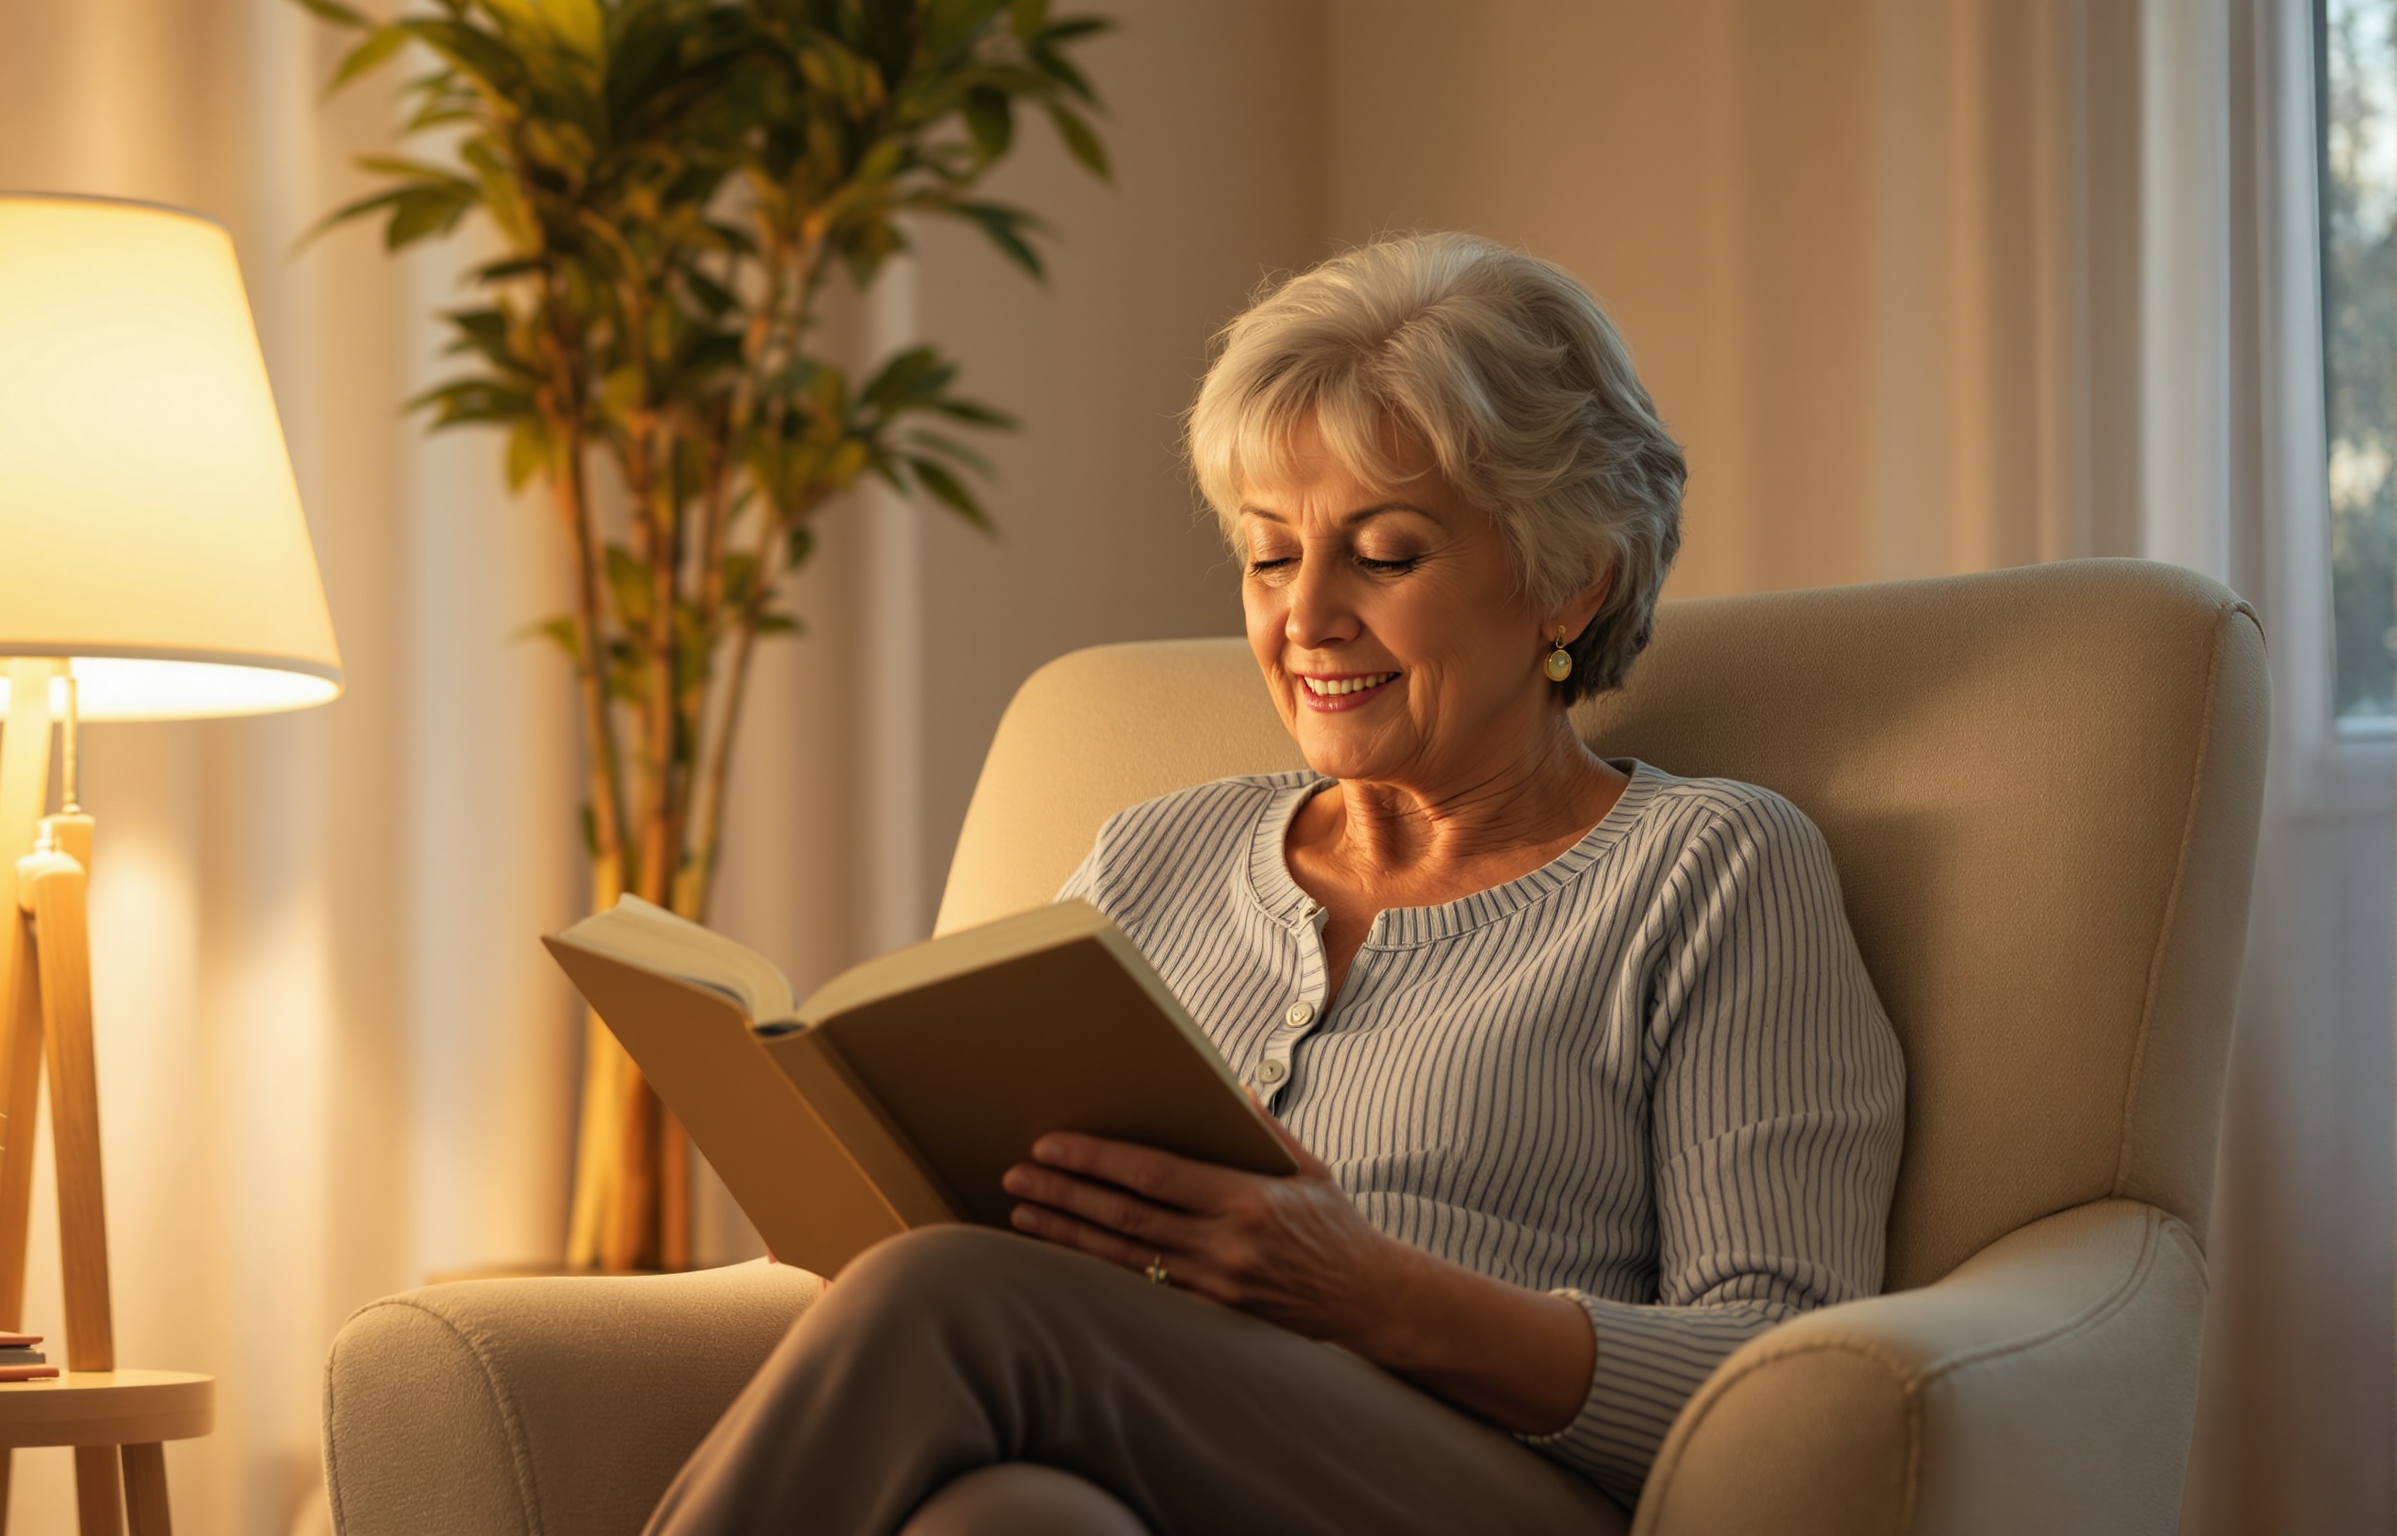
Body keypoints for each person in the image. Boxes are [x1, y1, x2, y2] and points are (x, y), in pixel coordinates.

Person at [646, 232, 1906, 1535]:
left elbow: (1793, 1380)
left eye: (1385, 553)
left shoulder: (1711, 872)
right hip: (1141, 1466)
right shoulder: (1151, 855)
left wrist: (1376, 1294)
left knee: (943, 1298)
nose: (1306, 615)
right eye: (1268, 556)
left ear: (1567, 582)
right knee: (1008, 1524)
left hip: (1495, 1494)